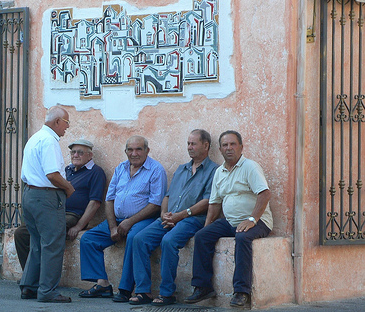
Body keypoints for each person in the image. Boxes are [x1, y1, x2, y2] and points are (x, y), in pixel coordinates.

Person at [129, 129, 219, 306]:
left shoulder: (214, 171)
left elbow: (208, 201)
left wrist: (180, 215)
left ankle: (167, 293)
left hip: (192, 219)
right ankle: (143, 291)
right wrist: (164, 214)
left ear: (206, 145)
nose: (189, 147)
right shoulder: (181, 169)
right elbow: (168, 196)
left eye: (193, 144)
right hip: (170, 217)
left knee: (169, 241)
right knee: (139, 239)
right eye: (188, 143)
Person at [184, 130, 273, 308]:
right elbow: (215, 203)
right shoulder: (219, 172)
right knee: (202, 236)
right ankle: (202, 287)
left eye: (233, 144)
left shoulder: (250, 167)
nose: (229, 148)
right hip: (231, 221)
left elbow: (264, 194)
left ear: (241, 147)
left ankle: (241, 292)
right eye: (225, 145)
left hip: (258, 221)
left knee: (242, 237)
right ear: (220, 149)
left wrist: (252, 219)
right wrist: (207, 226)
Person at [78, 135, 167, 303]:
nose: (134, 153)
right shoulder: (121, 168)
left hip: (144, 219)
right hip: (117, 220)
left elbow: (155, 204)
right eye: (130, 150)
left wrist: (129, 222)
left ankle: (126, 289)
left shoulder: (156, 170)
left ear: (147, 150)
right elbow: (109, 199)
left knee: (134, 238)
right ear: (125, 151)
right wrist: (113, 226)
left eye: (138, 149)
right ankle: (102, 284)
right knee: (89, 239)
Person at [15, 139, 107, 273]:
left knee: (48, 233)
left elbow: (95, 203)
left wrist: (78, 226)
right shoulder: (67, 170)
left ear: (90, 155)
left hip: (72, 215)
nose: (75, 155)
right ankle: (29, 275)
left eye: (80, 152)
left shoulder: (96, 172)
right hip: (53, 211)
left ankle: (42, 278)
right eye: (73, 152)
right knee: (21, 233)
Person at [19, 106, 75, 303]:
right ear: (57, 122)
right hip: (46, 197)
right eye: (66, 123)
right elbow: (52, 174)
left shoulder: (35, 138)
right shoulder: (49, 141)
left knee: (37, 243)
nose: (67, 128)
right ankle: (48, 291)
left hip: (30, 194)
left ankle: (29, 286)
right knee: (52, 245)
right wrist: (68, 188)